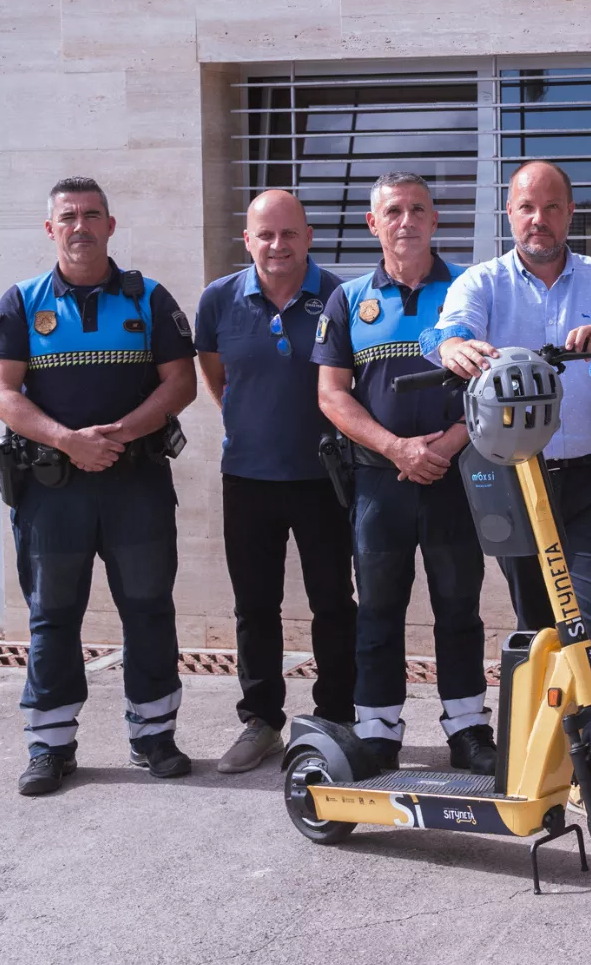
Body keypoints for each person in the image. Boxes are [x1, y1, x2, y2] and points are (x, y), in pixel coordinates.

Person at [0, 177, 198, 796]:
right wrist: (67, 440)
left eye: (92, 215)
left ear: (111, 224)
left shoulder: (149, 299)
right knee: (52, 615)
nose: (81, 226)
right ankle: (50, 747)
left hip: (136, 486)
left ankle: (154, 736)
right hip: (53, 490)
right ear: (50, 229)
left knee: (149, 609)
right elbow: (1, 394)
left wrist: (122, 433)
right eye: (68, 217)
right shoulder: (22, 302)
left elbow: (181, 382)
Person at [428, 160, 591, 701]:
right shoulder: (481, 280)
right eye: (527, 207)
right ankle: (551, 743)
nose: (539, 219)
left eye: (552, 207)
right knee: (539, 628)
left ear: (570, 212)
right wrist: (454, 347)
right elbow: (447, 331)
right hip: (516, 481)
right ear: (510, 213)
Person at [313, 171, 491, 775]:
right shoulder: (347, 299)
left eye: (418, 209)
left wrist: (442, 447)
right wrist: (396, 449)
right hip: (378, 484)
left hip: (456, 477)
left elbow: (493, 387)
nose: (406, 221)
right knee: (379, 610)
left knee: (458, 607)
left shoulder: (471, 290)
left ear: (436, 219)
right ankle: (378, 730)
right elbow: (332, 395)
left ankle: (468, 729)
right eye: (393, 211)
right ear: (373, 223)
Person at [193, 189, 356, 775]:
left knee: (333, 603)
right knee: (253, 606)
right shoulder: (218, 300)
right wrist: (249, 422)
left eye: (289, 234)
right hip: (248, 477)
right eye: (265, 235)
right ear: (247, 240)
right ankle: (260, 720)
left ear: (308, 236)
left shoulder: (339, 296)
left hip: (324, 478)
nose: (277, 245)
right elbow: (217, 379)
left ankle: (336, 717)